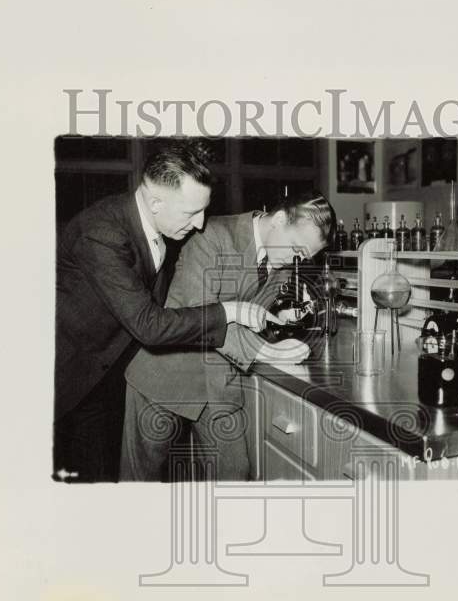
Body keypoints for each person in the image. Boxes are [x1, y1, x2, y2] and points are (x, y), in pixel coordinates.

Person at [54, 140, 278, 482]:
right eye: (191, 213)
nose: (201, 224)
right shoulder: (101, 233)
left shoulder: (158, 226)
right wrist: (228, 311)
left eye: (204, 210)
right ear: (155, 200)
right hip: (64, 379)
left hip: (106, 373)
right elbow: (150, 325)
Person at [121, 192, 336, 482]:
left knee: (234, 475)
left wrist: (280, 319)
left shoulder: (283, 262)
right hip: (164, 375)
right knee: (140, 483)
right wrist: (265, 351)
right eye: (296, 249)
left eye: (303, 257)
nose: (296, 261)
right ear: (280, 219)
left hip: (219, 383)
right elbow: (198, 314)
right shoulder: (213, 235)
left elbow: (251, 315)